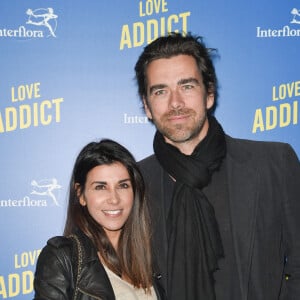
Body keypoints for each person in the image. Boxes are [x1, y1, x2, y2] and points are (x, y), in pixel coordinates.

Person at [134, 32, 300, 300]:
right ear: (147, 106)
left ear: (209, 95)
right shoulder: (135, 182)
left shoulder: (273, 163)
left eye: (187, 86)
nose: (175, 102)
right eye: (160, 90)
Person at [33, 139, 165, 300]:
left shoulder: (152, 253)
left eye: (123, 185)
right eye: (100, 187)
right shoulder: (62, 258)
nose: (114, 199)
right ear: (81, 194)